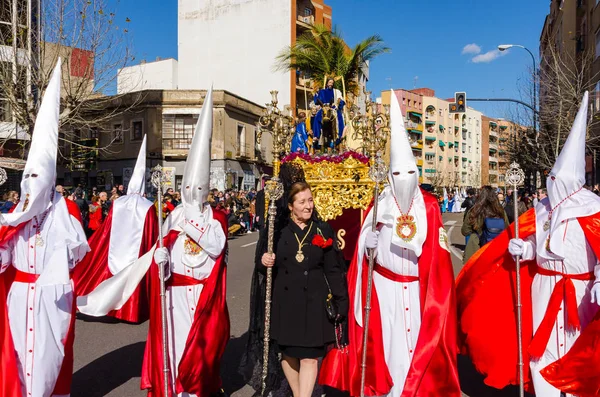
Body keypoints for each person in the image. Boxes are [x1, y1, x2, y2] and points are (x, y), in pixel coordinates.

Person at [77, 88, 229, 396]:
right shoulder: (170, 217)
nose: (193, 191)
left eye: (199, 186)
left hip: (201, 298)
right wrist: (161, 261)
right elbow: (161, 251)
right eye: (189, 185)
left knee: (198, 352)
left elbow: (215, 246)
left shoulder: (216, 218)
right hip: (172, 297)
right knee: (171, 349)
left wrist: (190, 221)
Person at [456, 92, 600, 397]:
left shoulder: (593, 209)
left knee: (576, 354)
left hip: (580, 293)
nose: (554, 182)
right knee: (541, 349)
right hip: (543, 289)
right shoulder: (544, 208)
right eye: (552, 176)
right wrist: (527, 249)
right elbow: (540, 243)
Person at [319, 91, 460, 397]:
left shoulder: (430, 207)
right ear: (390, 176)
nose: (405, 178)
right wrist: (366, 246)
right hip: (384, 292)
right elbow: (362, 259)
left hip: (417, 290)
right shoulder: (378, 205)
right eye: (398, 173)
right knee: (389, 347)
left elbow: (439, 256)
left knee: (415, 349)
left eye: (411, 172)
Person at [0, 61, 89, 396]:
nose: (30, 184)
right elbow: (5, 256)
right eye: (26, 177)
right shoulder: (15, 213)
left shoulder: (64, 211)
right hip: (19, 296)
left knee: (49, 362)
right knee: (18, 360)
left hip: (52, 299)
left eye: (37, 177)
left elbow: (77, 257)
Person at [261, 182, 348, 397]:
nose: (308, 206)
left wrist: (341, 300)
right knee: (288, 355)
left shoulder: (322, 229)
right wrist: (264, 260)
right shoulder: (277, 230)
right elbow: (261, 264)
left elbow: (333, 269)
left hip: (313, 301)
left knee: (310, 357)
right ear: (291, 206)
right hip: (286, 301)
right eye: (302, 202)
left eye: (310, 200)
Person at [73, 135, 158, 323]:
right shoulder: (147, 206)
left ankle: (106, 306)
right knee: (133, 278)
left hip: (115, 248)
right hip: (137, 251)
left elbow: (107, 229)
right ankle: (129, 310)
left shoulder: (118, 202)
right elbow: (152, 234)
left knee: (109, 275)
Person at [461, 186, 509, 263]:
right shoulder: (500, 211)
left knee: (475, 272)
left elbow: (465, 231)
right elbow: (507, 228)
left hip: (476, 247)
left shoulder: (474, 210)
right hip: (496, 247)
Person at [312, 78, 345, 152]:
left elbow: (341, 101)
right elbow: (317, 101)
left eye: (332, 82)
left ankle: (339, 136)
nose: (331, 84)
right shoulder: (322, 91)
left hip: (332, 108)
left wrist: (339, 102)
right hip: (324, 107)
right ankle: (316, 136)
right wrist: (316, 93)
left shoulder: (336, 92)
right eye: (329, 82)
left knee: (339, 117)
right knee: (317, 117)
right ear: (327, 83)